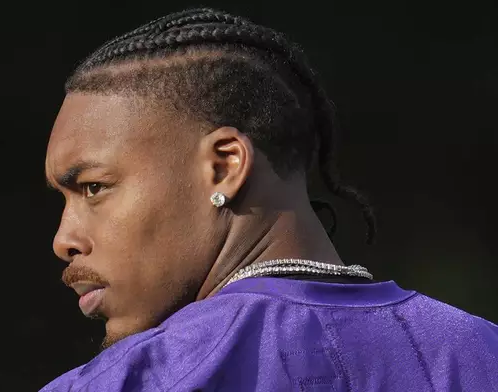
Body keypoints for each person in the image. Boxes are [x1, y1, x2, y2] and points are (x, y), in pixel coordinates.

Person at [40, 7, 498, 391]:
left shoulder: (129, 382)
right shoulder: (481, 353)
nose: (65, 240)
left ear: (224, 166)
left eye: (94, 188)